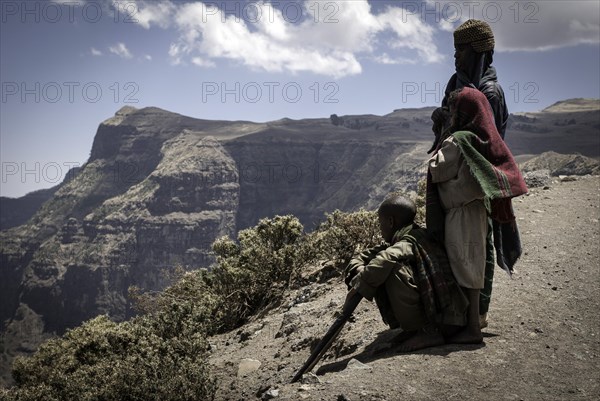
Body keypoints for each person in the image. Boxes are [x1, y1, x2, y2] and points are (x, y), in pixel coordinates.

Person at [427, 87, 527, 343]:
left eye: (452, 110)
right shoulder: (480, 139)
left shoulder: (458, 140)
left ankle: (470, 327)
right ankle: (470, 322)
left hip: (460, 215)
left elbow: (438, 169)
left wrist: (442, 135)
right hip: (475, 211)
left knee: (464, 266)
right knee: (472, 264)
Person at [429, 19, 510, 327]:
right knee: (456, 241)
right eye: (454, 49)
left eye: (461, 50)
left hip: (480, 174)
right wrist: (441, 119)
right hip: (454, 173)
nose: (455, 56)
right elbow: (450, 119)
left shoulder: (490, 92)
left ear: (480, 51)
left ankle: (479, 313)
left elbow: (489, 139)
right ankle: (458, 307)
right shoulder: (456, 82)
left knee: (481, 240)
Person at [344, 193, 468, 351]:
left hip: (448, 318)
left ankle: (428, 332)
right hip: (449, 316)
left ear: (390, 222)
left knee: (392, 270)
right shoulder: (406, 237)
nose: (380, 228)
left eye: (380, 223)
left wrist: (358, 286)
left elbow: (385, 258)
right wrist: (361, 270)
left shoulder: (410, 240)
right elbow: (362, 258)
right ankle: (415, 330)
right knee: (377, 269)